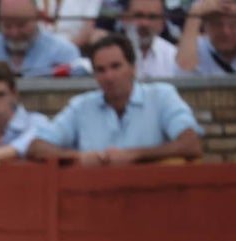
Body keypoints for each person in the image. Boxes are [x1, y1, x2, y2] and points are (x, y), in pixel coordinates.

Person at [27, 33, 204, 165]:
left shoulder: (162, 95)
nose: (109, 77)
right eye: (101, 70)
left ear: (133, 68)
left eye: (116, 67)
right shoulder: (81, 106)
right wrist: (78, 157)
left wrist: (134, 155)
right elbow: (37, 148)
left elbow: (191, 144)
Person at [0, 0, 84, 76]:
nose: (15, 33)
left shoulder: (64, 53)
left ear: (37, 17)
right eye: (7, 25)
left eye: (22, 25)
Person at [176, 0, 236, 74]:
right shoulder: (196, 49)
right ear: (205, 26)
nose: (226, 32)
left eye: (233, 24)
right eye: (217, 24)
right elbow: (183, 69)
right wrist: (194, 15)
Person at [120, 0, 180, 77]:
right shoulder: (108, 55)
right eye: (139, 15)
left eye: (152, 17)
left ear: (162, 22)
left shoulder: (173, 57)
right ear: (124, 18)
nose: (145, 23)